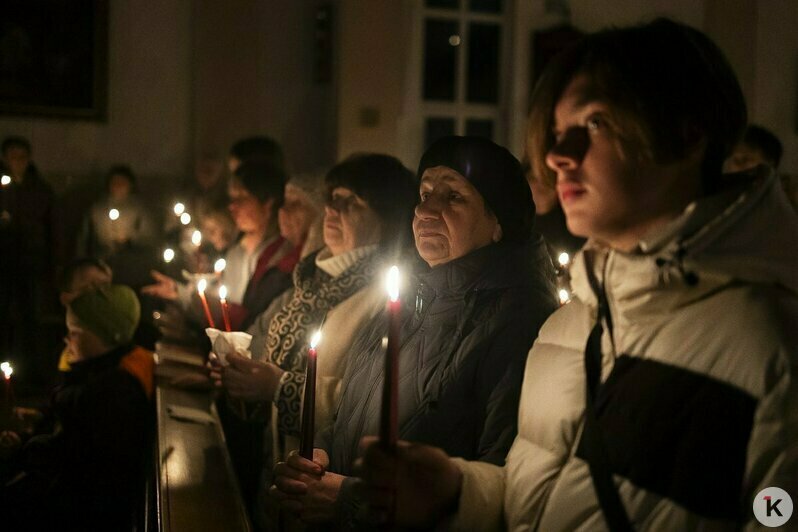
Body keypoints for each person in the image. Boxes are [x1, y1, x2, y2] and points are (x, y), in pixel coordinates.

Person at [355, 18, 798, 531]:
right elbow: (545, 497)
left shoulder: (770, 346)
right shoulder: (568, 327)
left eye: (595, 124)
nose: (557, 156)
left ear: (687, 134)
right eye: (557, 131)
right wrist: (459, 491)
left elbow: (776, 512)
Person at [271, 136, 558, 527]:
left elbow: (495, 480)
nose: (425, 210)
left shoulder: (520, 320)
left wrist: (350, 501)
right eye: (424, 194)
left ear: (498, 222)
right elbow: (347, 413)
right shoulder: (407, 295)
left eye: (453, 197)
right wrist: (318, 456)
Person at [213, 154, 417, 528]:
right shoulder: (309, 281)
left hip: (323, 489)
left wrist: (279, 387)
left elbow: (370, 402)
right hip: (275, 471)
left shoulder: (385, 299)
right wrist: (237, 368)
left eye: (350, 201)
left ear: (387, 217)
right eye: (331, 198)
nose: (331, 210)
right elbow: (262, 341)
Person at [2, 285, 154, 530]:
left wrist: (24, 448)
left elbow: (71, 460)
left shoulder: (112, 392)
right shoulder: (102, 371)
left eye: (74, 332)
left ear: (104, 334)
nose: (67, 339)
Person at [144, 160, 297, 332]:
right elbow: (222, 306)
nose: (232, 206)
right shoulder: (237, 251)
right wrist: (180, 293)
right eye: (232, 198)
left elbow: (253, 320)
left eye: (242, 198)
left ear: (268, 203)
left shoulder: (281, 257)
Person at [0, 135, 60, 387]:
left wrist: (52, 263)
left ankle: (29, 374)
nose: (17, 162)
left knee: (31, 319)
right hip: (3, 262)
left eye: (22, 157)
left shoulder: (40, 189)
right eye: (12, 157)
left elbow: (52, 227)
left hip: (31, 263)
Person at [76, 164, 158, 260]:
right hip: (102, 257)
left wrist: (129, 242)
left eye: (122, 183)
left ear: (130, 185)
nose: (118, 186)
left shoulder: (139, 209)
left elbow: (149, 236)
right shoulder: (98, 209)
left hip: (132, 257)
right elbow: (87, 237)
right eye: (115, 182)